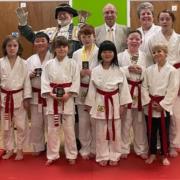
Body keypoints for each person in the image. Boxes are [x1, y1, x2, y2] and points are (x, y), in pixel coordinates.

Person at [85, 40, 132, 166]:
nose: (107, 54)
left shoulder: (120, 70)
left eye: (110, 51)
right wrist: (89, 104)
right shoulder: (95, 70)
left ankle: (115, 155)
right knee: (101, 131)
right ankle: (102, 155)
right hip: (100, 101)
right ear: (100, 54)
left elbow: (124, 89)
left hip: (114, 101)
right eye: (104, 51)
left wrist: (123, 104)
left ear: (114, 54)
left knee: (115, 129)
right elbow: (92, 88)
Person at [41, 36, 80, 165]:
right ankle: (52, 155)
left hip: (67, 98)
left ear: (68, 48)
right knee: (52, 129)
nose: (61, 49)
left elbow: (76, 81)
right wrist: (51, 94)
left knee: (69, 129)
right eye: (58, 46)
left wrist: (68, 94)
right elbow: (45, 81)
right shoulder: (48, 64)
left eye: (64, 46)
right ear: (54, 49)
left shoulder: (73, 63)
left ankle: (72, 154)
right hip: (53, 99)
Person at [146, 9, 180, 157]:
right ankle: (158, 146)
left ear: (172, 20)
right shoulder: (153, 38)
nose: (165, 21)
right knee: (156, 119)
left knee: (175, 115)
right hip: (157, 75)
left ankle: (173, 144)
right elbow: (149, 57)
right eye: (162, 19)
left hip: (175, 75)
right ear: (158, 21)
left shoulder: (179, 38)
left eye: (167, 18)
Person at [141, 44, 179, 166]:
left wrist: (163, 104)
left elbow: (173, 89)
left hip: (164, 106)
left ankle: (164, 154)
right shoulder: (148, 70)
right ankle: (152, 153)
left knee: (164, 131)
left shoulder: (172, 70)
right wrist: (149, 101)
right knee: (151, 131)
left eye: (159, 51)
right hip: (151, 105)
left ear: (166, 53)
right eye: (154, 52)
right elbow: (144, 87)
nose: (157, 54)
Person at [0, 35, 32, 160]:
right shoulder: (0, 63)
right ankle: (9, 149)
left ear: (19, 48)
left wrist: (27, 98)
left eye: (15, 45)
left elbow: (27, 82)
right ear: (5, 48)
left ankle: (20, 149)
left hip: (19, 97)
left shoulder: (24, 63)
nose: (12, 48)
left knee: (21, 125)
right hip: (4, 98)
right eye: (9, 46)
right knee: (6, 125)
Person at [118, 30, 148, 159]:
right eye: (132, 38)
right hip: (126, 90)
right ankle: (123, 148)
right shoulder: (120, 56)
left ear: (141, 41)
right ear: (127, 40)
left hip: (140, 91)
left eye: (137, 39)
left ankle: (141, 149)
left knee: (140, 122)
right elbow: (114, 71)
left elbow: (150, 72)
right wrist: (126, 69)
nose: (134, 41)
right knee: (125, 121)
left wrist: (142, 70)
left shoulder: (145, 56)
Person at [16, 3, 81, 57]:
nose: (61, 16)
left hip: (71, 67)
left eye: (64, 14)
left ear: (71, 16)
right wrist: (23, 24)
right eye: (59, 14)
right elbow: (32, 37)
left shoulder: (79, 31)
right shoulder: (50, 31)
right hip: (52, 66)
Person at [72, 24, 98, 159]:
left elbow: (104, 72)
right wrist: (80, 74)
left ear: (94, 37)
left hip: (96, 90)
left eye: (89, 36)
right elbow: (72, 73)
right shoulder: (76, 54)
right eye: (84, 37)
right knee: (83, 122)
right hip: (81, 89)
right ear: (80, 38)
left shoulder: (99, 52)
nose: (87, 39)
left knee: (95, 120)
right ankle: (85, 148)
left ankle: (95, 148)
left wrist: (92, 72)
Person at [26, 32, 53, 155]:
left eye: (43, 40)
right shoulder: (30, 60)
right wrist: (29, 76)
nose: (40, 43)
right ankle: (38, 146)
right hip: (35, 95)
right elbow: (23, 80)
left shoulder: (54, 57)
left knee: (50, 123)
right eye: (37, 41)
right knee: (36, 123)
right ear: (34, 44)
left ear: (48, 43)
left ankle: (52, 148)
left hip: (50, 96)